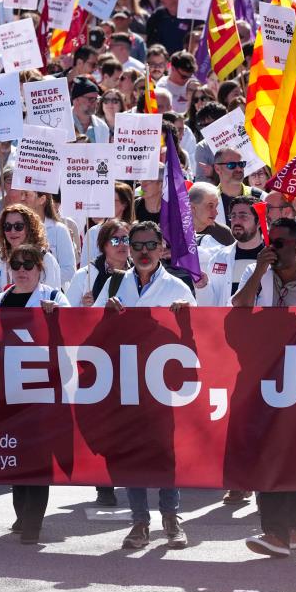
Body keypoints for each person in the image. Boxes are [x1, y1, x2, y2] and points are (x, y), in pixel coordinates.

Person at [233, 218, 296, 556]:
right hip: (266, 375)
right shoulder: (258, 272)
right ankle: (274, 531)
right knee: (266, 447)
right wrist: (259, 271)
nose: (274, 246)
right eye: (272, 240)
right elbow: (239, 306)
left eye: (281, 242)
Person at [101, 221, 193, 549]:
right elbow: (91, 331)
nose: (143, 252)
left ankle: (171, 518)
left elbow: (196, 337)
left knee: (165, 452)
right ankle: (139, 522)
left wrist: (186, 316)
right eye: (137, 245)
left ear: (162, 248)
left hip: (162, 386)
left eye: (150, 245)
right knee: (130, 453)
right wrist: (105, 314)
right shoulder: (115, 284)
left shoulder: (178, 288)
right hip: (124, 383)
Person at [0, 243, 68, 544]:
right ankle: (22, 513)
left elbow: (74, 330)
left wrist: (57, 317)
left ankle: (34, 521)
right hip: (8, 390)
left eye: (28, 264)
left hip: (42, 390)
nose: (21, 270)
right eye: (15, 264)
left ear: (40, 269)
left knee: (38, 456)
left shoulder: (54, 297)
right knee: (16, 454)